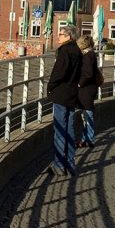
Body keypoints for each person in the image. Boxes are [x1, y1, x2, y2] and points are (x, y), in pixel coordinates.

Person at [46, 22, 82, 177]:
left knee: (60, 130)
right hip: (72, 94)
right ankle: (70, 163)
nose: (58, 36)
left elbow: (58, 73)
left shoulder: (64, 51)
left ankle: (59, 165)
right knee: (69, 129)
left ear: (68, 36)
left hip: (61, 94)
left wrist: (50, 86)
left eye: (60, 34)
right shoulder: (77, 51)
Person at [76, 34, 103, 147]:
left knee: (88, 113)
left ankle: (89, 139)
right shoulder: (90, 54)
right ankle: (86, 138)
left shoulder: (88, 56)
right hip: (89, 88)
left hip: (87, 89)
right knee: (87, 113)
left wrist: (79, 83)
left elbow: (88, 73)